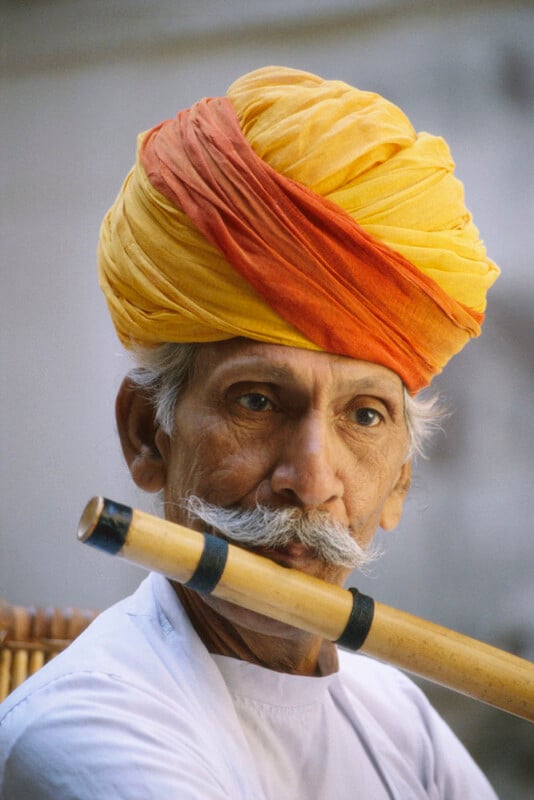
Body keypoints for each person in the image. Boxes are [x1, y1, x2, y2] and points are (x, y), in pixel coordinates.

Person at [0, 66, 500, 798]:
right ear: (148, 436)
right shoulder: (80, 726)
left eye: (364, 416)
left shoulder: (400, 718)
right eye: (258, 402)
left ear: (399, 481)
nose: (311, 476)